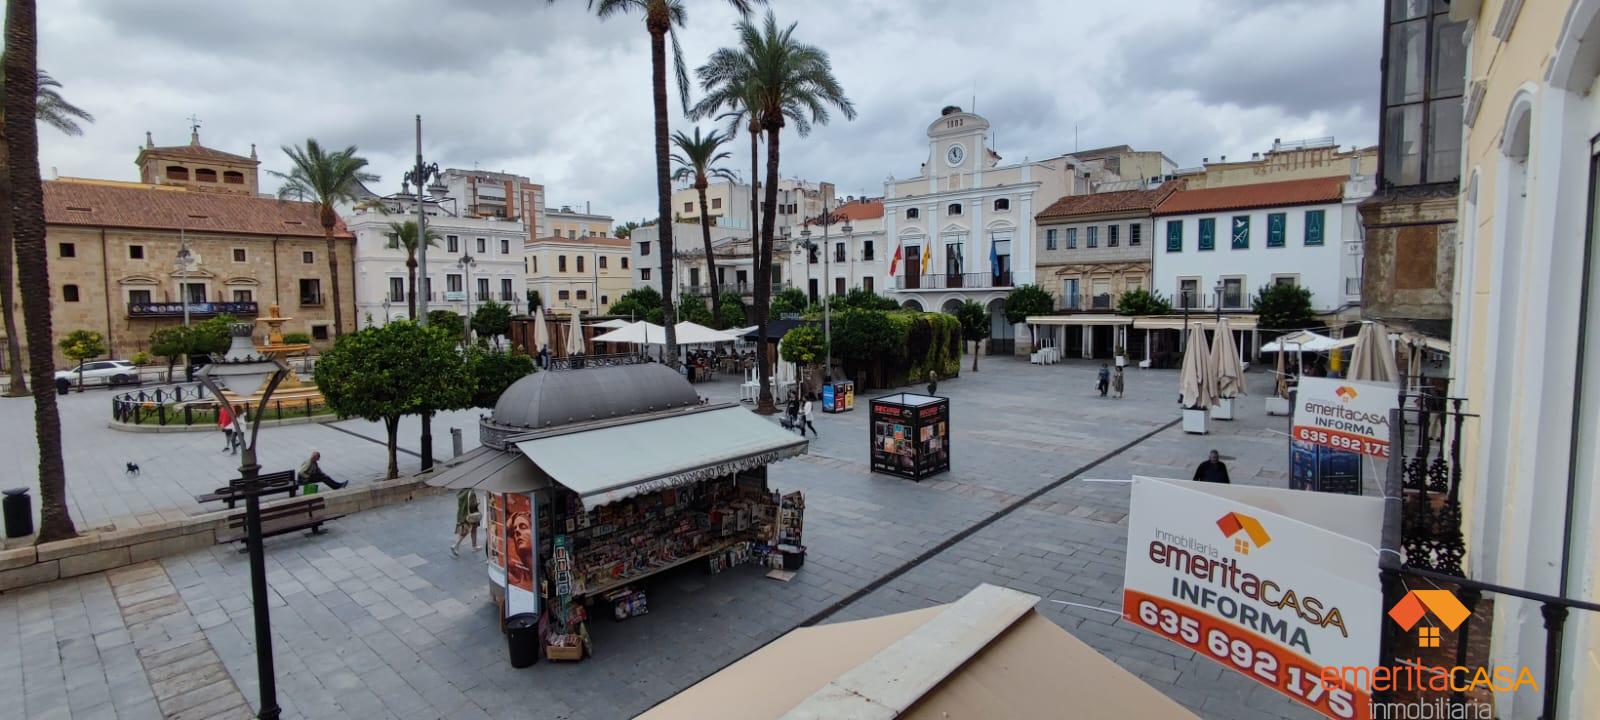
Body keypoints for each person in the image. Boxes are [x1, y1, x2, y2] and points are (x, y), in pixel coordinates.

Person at [451, 489, 480, 557]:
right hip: (470, 515)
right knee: (467, 531)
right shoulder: (471, 493)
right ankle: (456, 545)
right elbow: (472, 505)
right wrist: (477, 503)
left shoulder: (462, 491)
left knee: (470, 530)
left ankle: (474, 546)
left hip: (462, 514)